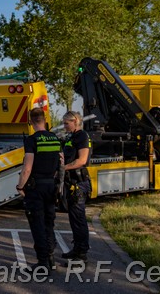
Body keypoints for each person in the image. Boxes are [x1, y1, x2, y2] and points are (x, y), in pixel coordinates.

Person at [16, 107, 61, 272]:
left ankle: (42, 263)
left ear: (31, 122)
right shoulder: (55, 139)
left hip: (36, 188)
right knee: (49, 222)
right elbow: (59, 164)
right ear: (45, 119)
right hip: (51, 185)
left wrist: (20, 186)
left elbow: (27, 168)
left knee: (37, 224)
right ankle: (51, 258)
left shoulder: (32, 140)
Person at [61, 110, 92, 261]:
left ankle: (82, 253)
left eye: (67, 123)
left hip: (79, 183)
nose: (64, 126)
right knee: (74, 219)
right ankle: (77, 249)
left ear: (75, 122)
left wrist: (63, 168)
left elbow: (82, 160)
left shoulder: (82, 136)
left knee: (79, 219)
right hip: (71, 182)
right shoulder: (71, 137)